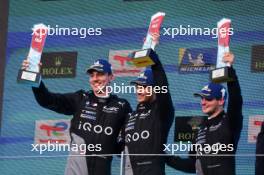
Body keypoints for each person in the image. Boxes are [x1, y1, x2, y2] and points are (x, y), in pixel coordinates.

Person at [22, 58, 132, 175]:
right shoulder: (80, 98)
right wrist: (34, 77)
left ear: (111, 77)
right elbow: (47, 100)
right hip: (76, 169)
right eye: (92, 75)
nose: (95, 79)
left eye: (100, 74)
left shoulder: (121, 106)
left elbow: (128, 141)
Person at [166, 52, 243, 175]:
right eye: (202, 98)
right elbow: (192, 165)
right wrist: (165, 157)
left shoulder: (230, 121)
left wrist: (230, 69)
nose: (203, 102)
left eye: (208, 99)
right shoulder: (200, 129)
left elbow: (236, 100)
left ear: (221, 100)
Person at [120, 51, 175, 175]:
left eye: (144, 86)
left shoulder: (162, 111)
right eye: (138, 86)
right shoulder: (130, 116)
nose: (139, 90)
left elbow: (162, 86)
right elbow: (119, 148)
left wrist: (155, 63)